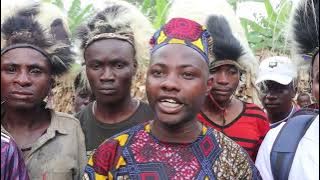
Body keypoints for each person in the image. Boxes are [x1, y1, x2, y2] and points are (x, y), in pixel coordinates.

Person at [83, 17, 261, 179]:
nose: (169, 83)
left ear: (208, 85)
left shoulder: (233, 160)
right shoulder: (110, 154)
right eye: (158, 72)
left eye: (187, 74)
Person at [167, 0, 269, 161]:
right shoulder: (183, 115)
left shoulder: (256, 117)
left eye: (232, 72)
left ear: (241, 76)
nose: (223, 80)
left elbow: (262, 168)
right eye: (215, 71)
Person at [1, 2, 86, 179]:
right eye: (11, 69)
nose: (22, 80)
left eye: (35, 71)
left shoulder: (70, 129)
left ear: (51, 81)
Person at [76, 0, 154, 154]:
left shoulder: (157, 121)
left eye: (118, 65)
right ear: (86, 69)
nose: (107, 76)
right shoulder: (73, 127)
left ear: (134, 67)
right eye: (96, 66)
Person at [255, 0, 319, 179]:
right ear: (312, 84)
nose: (270, 96)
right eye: (266, 88)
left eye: (278, 88)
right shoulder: (277, 144)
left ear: (295, 88)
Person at [256, 56, 299, 127]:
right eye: (264, 88)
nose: (270, 96)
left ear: (294, 91)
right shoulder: (252, 120)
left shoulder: (305, 125)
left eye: (279, 89)